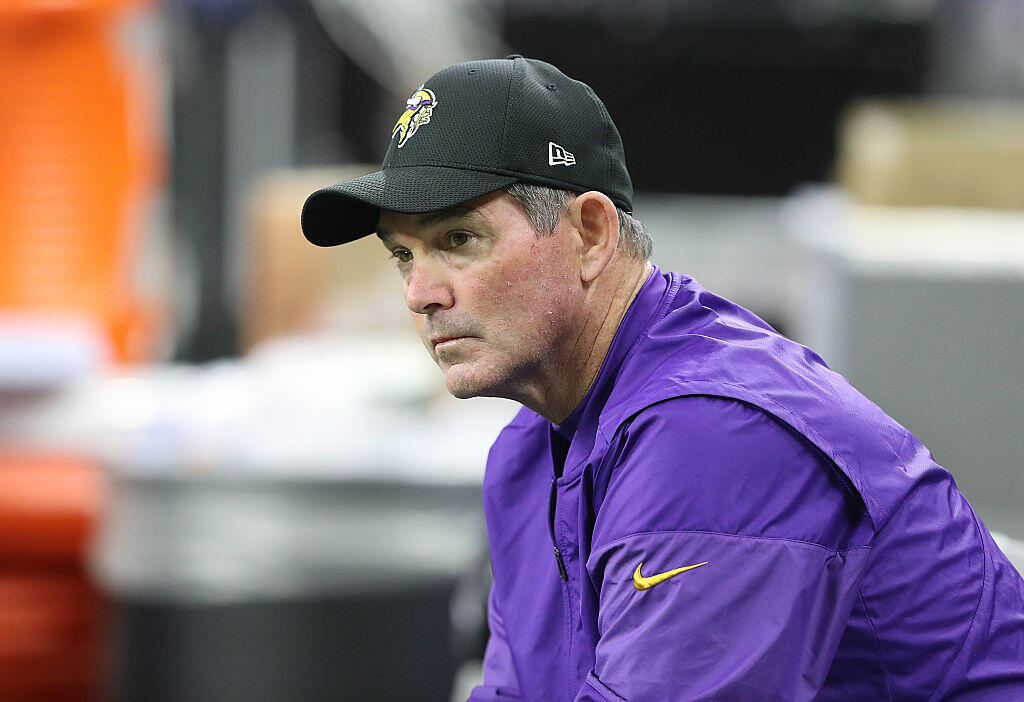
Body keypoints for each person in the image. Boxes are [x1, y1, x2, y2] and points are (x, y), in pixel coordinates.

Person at [300, 56, 1024, 701]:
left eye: (459, 240)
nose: (419, 293)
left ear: (589, 234)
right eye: (402, 254)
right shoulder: (526, 452)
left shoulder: (714, 432)